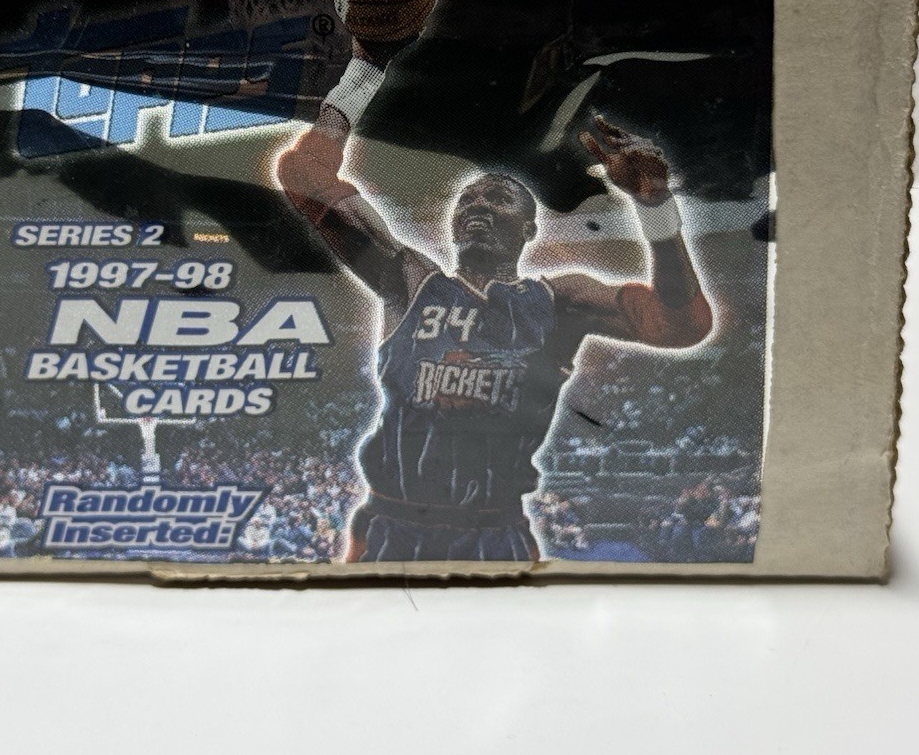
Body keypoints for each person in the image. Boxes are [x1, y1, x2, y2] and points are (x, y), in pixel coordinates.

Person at [275, 39, 712, 562]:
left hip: (494, 531)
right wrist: (365, 68)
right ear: (453, 224)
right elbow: (302, 176)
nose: (477, 205)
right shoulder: (408, 279)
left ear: (529, 229)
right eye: (466, 200)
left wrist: (655, 209)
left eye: (497, 198)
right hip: (392, 527)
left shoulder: (560, 299)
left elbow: (681, 325)